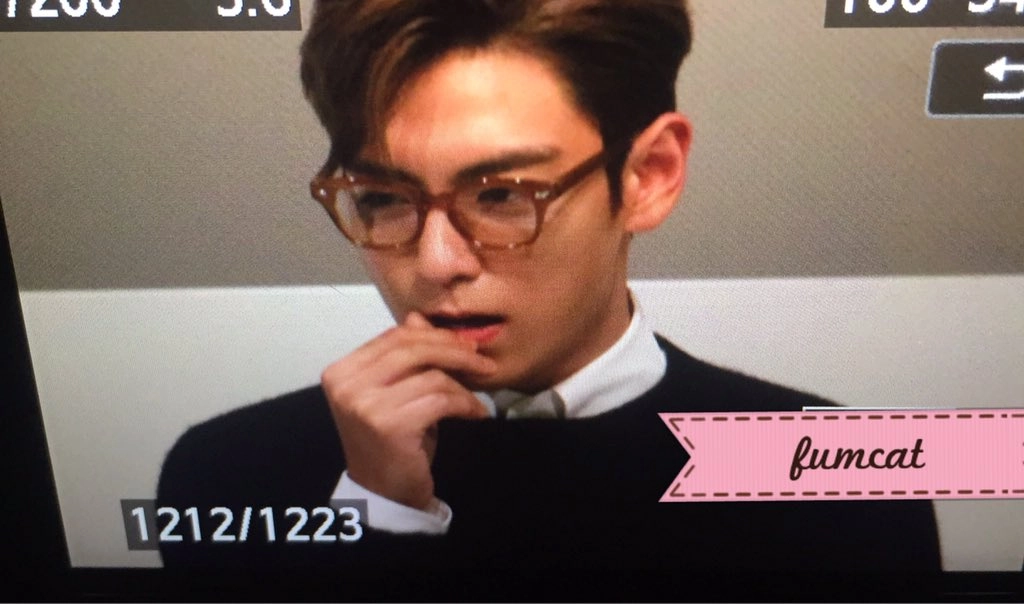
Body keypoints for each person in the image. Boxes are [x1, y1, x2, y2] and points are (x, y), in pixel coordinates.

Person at [157, 0, 941, 590]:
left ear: (650, 175)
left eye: (502, 195)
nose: (436, 263)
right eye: (384, 198)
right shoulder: (229, 471)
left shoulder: (837, 473)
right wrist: (375, 517)